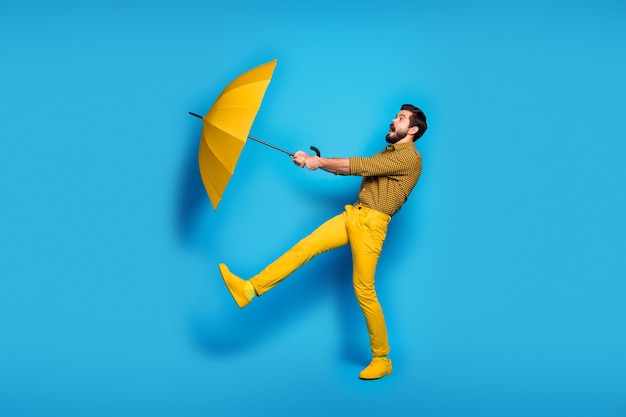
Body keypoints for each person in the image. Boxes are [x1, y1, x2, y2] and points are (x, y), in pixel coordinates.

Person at [219, 104, 427, 380]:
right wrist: (312, 161)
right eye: (395, 116)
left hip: (372, 225)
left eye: (400, 119)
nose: (392, 120)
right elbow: (351, 168)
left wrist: (320, 162)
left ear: (412, 130)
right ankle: (249, 289)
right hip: (356, 214)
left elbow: (360, 166)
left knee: (364, 290)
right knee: (305, 247)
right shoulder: (389, 153)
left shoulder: (410, 158)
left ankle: (382, 358)